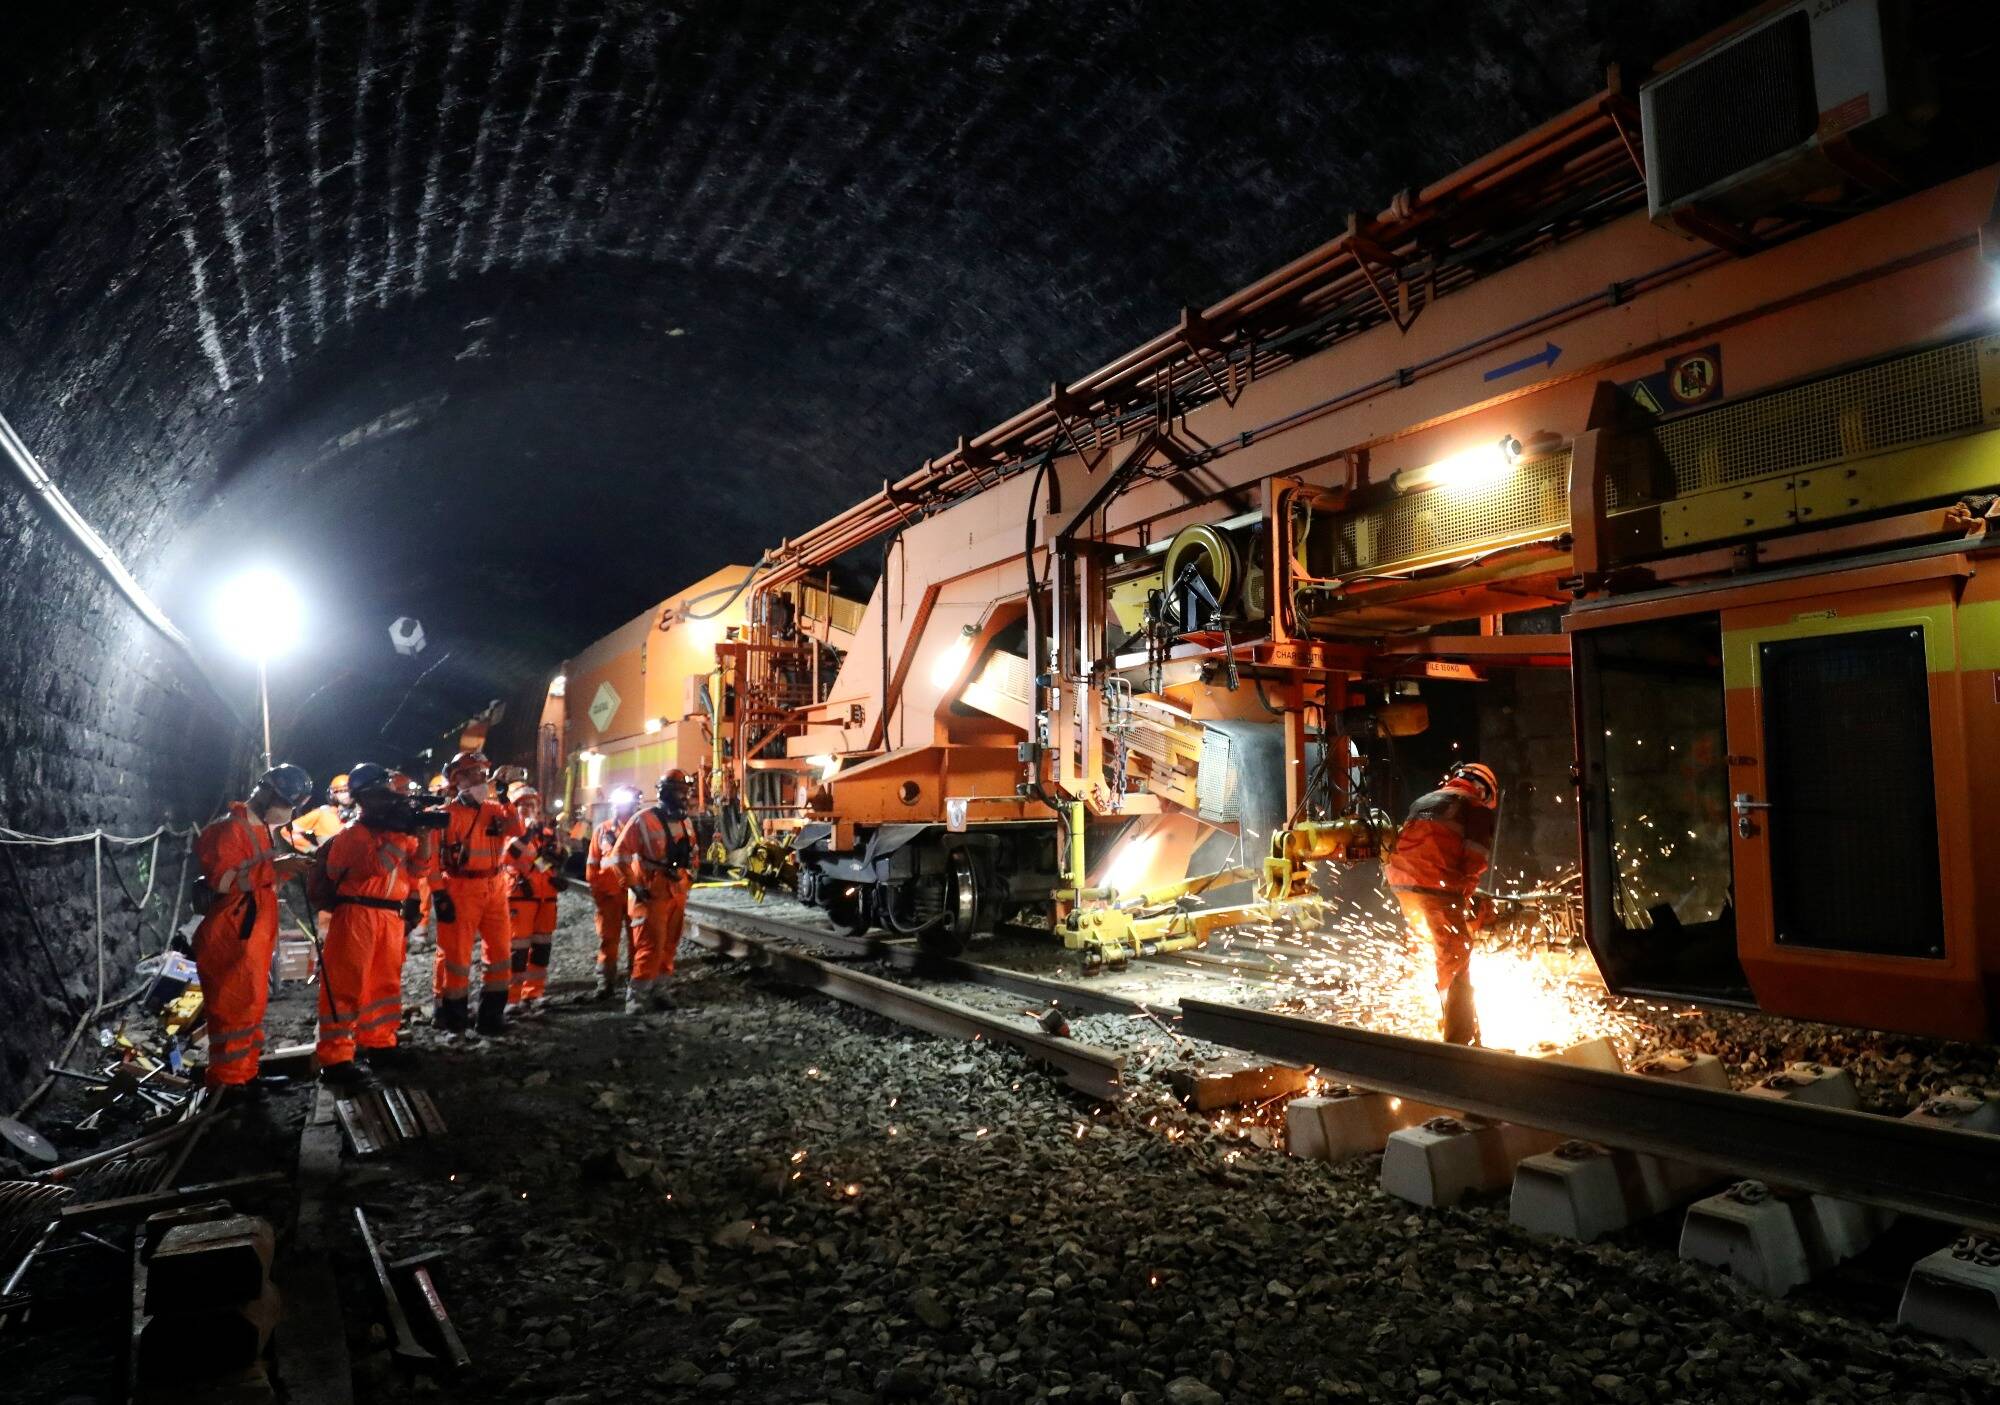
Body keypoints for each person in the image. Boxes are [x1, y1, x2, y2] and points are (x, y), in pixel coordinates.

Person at [191, 765, 313, 1093]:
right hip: (233, 931)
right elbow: (225, 881)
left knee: (251, 1007)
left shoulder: (260, 829)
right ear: (265, 791)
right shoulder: (229, 830)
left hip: (252, 930)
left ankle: (246, 1074)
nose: (286, 811)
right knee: (233, 1011)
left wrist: (286, 869)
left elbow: (261, 877)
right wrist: (275, 868)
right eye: (284, 802)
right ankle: (228, 1085)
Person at [308, 765, 427, 1084]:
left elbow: (419, 868)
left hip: (389, 916)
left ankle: (380, 1044)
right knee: (345, 987)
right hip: (356, 915)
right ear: (365, 797)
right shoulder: (352, 836)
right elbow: (379, 865)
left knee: (384, 986)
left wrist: (424, 834)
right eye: (383, 794)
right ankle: (335, 1060)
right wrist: (403, 833)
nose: (390, 800)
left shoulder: (391, 835)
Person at [1384, 761, 1499, 1046]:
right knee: (1455, 956)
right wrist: (1465, 901)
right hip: (1436, 885)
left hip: (1401, 882)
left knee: (1433, 945)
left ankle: (1441, 1018)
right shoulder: (1475, 807)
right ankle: (1459, 1041)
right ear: (1483, 790)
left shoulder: (1427, 799)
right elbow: (1474, 861)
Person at [432, 750, 523, 1040]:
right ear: (458, 779)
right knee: (456, 956)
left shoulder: (495, 810)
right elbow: (431, 862)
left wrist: (507, 799)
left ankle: (491, 1017)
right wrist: (439, 895)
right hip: (460, 888)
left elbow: (517, 829)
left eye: (484, 773)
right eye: (475, 773)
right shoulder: (444, 817)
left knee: (499, 953)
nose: (483, 778)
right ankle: (455, 1020)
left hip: (494, 886)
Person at [615, 771, 698, 1014]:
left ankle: (661, 990)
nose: (683, 797)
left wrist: (689, 878)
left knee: (670, 944)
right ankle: (637, 996)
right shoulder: (643, 820)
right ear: (663, 792)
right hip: (651, 892)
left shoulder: (686, 822)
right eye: (678, 791)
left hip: (676, 891)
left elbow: (693, 854)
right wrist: (633, 885)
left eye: (684, 791)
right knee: (650, 945)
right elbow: (619, 856)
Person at [502, 782, 565, 1015]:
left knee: (541, 948)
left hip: (545, 897)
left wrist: (555, 870)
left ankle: (534, 993)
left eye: (532, 804)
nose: (529, 808)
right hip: (521, 897)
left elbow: (546, 862)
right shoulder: (510, 832)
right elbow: (509, 857)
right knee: (517, 950)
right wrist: (527, 833)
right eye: (524, 805)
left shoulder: (546, 833)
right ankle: (512, 998)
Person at [584, 787, 640, 1000]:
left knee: (637, 940)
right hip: (609, 896)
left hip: (636, 894)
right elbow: (592, 864)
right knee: (608, 941)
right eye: (618, 803)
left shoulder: (639, 830)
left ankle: (636, 982)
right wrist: (598, 893)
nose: (620, 807)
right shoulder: (602, 830)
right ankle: (605, 983)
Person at [289, 773, 354, 853]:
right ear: (332, 795)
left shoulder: (363, 814)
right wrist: (312, 849)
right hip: (331, 864)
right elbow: (287, 831)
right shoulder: (322, 814)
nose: (345, 794)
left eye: (348, 790)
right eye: (340, 791)